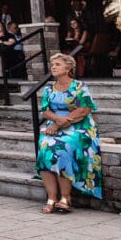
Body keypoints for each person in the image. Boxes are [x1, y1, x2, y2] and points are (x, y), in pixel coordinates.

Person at [36, 53, 102, 213]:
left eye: (57, 64)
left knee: (63, 147)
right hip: (56, 124)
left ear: (68, 68)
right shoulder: (49, 88)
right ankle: (52, 197)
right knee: (45, 149)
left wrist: (59, 124)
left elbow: (84, 110)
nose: (53, 67)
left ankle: (66, 197)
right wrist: (57, 121)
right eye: (52, 65)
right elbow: (45, 111)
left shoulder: (79, 87)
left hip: (80, 126)